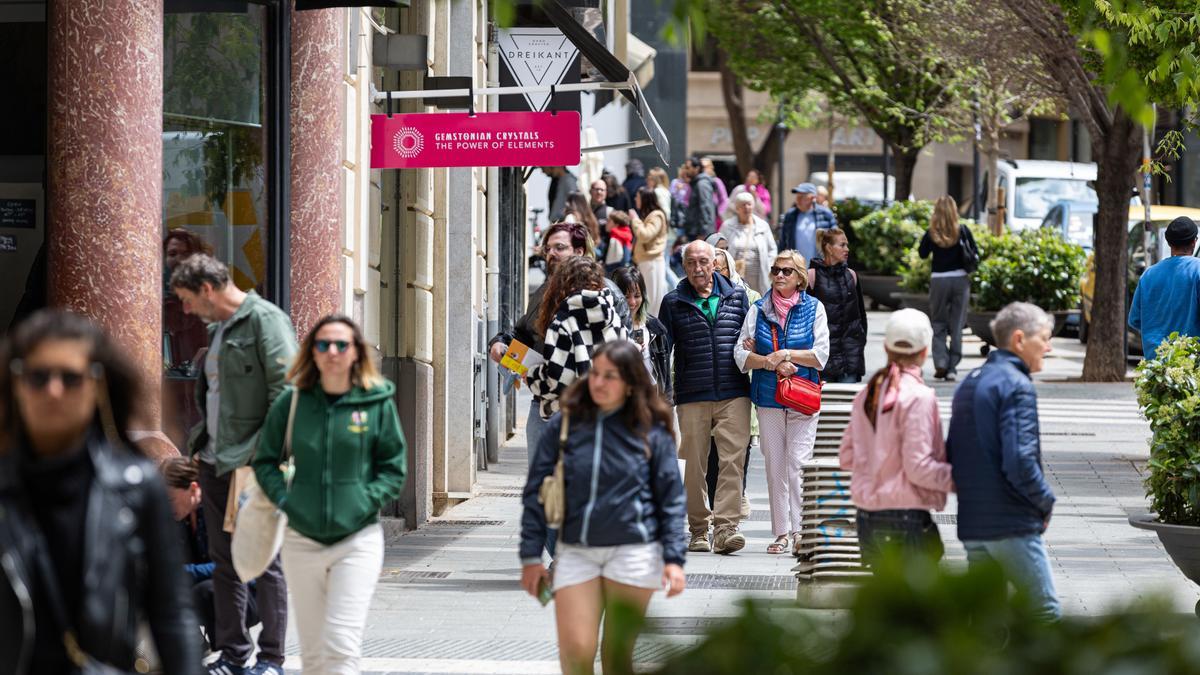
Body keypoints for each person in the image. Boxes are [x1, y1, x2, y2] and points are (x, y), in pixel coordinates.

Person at [0, 310, 200, 674]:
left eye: (71, 378)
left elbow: (171, 613)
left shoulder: (136, 486)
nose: (54, 391)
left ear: (97, 386)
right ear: (16, 383)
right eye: (38, 377)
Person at [519, 341, 686, 675]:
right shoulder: (564, 424)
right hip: (576, 551)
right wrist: (530, 556)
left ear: (630, 383)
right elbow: (536, 491)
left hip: (634, 553)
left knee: (617, 656)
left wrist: (673, 558)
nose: (598, 382)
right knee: (576, 652)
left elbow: (671, 499)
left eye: (610, 376)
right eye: (595, 373)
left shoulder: (651, 431)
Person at [253, 315, 407, 674]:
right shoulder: (291, 402)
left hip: (357, 539)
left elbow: (392, 468)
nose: (332, 352)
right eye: (323, 344)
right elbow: (265, 462)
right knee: (313, 653)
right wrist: (287, 501)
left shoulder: (375, 403)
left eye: (342, 344)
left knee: (340, 642)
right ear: (313, 353)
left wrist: (363, 501)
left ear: (356, 353)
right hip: (301, 540)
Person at [171, 254, 294, 675]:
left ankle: (273, 658)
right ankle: (233, 654)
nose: (185, 310)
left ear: (207, 289)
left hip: (254, 464)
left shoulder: (265, 320)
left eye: (187, 299)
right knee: (227, 564)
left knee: (264, 560)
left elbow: (287, 396)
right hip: (215, 462)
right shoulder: (218, 329)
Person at [946, 302, 1060, 621]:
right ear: (1020, 340)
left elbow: (952, 452)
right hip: (1011, 521)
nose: (1049, 347)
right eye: (1045, 338)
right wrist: (1045, 501)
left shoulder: (970, 382)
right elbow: (1020, 459)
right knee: (1045, 611)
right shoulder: (1016, 385)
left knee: (986, 621)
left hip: (974, 522)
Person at [487, 223, 631, 467]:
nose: (551, 254)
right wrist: (500, 342)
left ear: (579, 251)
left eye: (559, 247)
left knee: (552, 490)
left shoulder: (608, 296)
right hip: (550, 405)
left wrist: (533, 375)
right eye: (548, 248)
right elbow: (523, 332)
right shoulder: (546, 293)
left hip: (562, 402)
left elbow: (562, 375)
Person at [658, 240, 752, 554]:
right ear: (683, 268)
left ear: (715, 263)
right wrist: (663, 394)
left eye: (704, 262)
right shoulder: (673, 302)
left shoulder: (737, 297)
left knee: (732, 462)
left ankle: (726, 529)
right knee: (693, 463)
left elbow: (751, 341)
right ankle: (698, 529)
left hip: (734, 391)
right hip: (692, 394)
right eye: (691, 264)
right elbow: (662, 351)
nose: (699, 269)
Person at [839, 309, 953, 566]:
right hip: (906, 516)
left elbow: (846, 457)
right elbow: (918, 467)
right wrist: (960, 480)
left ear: (886, 348)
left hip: (868, 517)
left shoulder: (869, 393)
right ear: (925, 352)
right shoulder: (919, 397)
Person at [734, 250, 829, 555]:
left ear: (800, 278)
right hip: (768, 397)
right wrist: (768, 362)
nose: (779, 275)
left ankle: (801, 531)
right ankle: (781, 533)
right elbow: (740, 355)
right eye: (775, 270)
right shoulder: (758, 309)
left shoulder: (814, 308)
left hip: (803, 395)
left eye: (786, 271)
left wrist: (785, 355)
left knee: (797, 465)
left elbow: (820, 355)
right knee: (775, 465)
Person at [162, 456, 260, 655]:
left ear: (194, 488)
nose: (168, 506)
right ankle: (193, 646)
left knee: (206, 591)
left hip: (247, 593)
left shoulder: (216, 512)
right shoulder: (180, 520)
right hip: (212, 588)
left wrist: (184, 572)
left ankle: (231, 650)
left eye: (171, 499)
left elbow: (230, 565)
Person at [527, 256, 628, 421]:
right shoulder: (613, 317)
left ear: (562, 285)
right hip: (611, 413)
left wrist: (532, 377)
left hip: (575, 417)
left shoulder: (564, 322)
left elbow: (558, 380)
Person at [919, 195, 977, 381]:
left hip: (939, 280)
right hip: (960, 279)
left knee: (938, 324)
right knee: (957, 324)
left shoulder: (931, 233)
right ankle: (952, 368)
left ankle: (941, 362)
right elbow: (975, 254)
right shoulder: (963, 230)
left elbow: (922, 254)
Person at [1129, 216, 1200, 355]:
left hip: (1156, 366)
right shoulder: (1197, 271)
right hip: (1193, 364)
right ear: (1194, 242)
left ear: (1169, 243)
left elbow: (1135, 320)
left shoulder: (1148, 275)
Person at [808, 228, 867, 383]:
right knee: (823, 406)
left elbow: (861, 315)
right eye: (842, 245)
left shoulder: (851, 275)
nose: (847, 249)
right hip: (822, 358)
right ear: (829, 247)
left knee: (847, 405)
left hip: (849, 357)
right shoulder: (811, 276)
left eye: (846, 245)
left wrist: (859, 344)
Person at [611, 266, 671, 399]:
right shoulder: (609, 329)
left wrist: (667, 403)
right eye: (626, 297)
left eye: (637, 296)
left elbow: (665, 374)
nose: (632, 302)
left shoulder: (655, 327)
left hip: (652, 399)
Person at [719, 191, 778, 296]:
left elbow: (772, 249)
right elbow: (719, 250)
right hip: (736, 275)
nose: (746, 207)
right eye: (743, 205)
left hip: (759, 276)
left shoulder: (763, 226)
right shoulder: (727, 226)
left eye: (749, 204)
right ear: (737, 208)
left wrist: (769, 266)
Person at [630, 186, 670, 312]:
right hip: (647, 262)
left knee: (652, 299)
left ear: (644, 199)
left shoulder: (656, 216)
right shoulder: (651, 216)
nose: (635, 199)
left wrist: (635, 220)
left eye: (638, 197)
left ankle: (653, 327)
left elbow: (645, 235)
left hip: (652, 262)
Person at [779, 183, 837, 264]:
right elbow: (782, 243)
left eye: (801, 197)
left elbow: (836, 240)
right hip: (796, 268)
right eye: (797, 196)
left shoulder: (826, 214)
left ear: (813, 198)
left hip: (820, 267)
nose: (797, 200)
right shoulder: (790, 215)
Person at [683, 157, 717, 240]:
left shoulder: (702, 184)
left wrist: (704, 232)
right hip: (695, 232)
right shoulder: (697, 183)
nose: (685, 170)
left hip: (700, 234)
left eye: (688, 168)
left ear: (697, 168)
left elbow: (706, 208)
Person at [564, 191, 603, 257]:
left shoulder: (571, 218)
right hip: (590, 256)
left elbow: (565, 238)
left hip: (575, 257)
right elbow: (597, 240)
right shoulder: (591, 218)